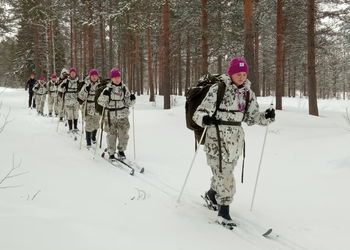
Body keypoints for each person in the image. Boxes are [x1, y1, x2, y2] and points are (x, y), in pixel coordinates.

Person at [193, 58, 276, 229]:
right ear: (231, 73)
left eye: (244, 74)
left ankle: (211, 194)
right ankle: (224, 211)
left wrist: (266, 117)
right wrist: (205, 118)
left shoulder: (248, 93)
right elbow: (198, 113)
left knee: (224, 172)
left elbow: (251, 118)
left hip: (236, 142)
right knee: (226, 175)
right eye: (238, 74)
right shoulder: (218, 89)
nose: (241, 77)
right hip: (216, 138)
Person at [97, 68, 136, 160]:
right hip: (111, 117)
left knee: (124, 135)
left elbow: (129, 103)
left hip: (123, 116)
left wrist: (132, 99)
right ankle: (111, 153)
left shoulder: (124, 89)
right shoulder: (107, 89)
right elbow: (100, 102)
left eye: (119, 77)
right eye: (115, 78)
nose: (117, 79)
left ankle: (121, 151)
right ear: (112, 79)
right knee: (111, 135)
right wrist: (105, 96)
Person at [78, 69, 102, 148]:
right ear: (90, 77)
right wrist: (85, 90)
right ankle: (88, 141)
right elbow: (80, 97)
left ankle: (93, 137)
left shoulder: (100, 85)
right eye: (93, 76)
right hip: (88, 106)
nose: (94, 78)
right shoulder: (86, 84)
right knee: (88, 124)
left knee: (96, 123)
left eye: (96, 76)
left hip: (97, 107)